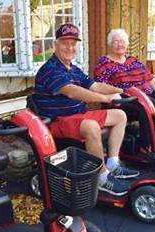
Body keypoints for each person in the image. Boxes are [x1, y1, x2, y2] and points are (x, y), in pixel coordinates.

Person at [33, 23, 139, 196]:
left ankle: (112, 163)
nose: (70, 47)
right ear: (56, 44)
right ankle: (102, 178)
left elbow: (95, 85)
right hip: (58, 121)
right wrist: (106, 99)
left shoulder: (74, 70)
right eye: (65, 43)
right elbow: (73, 93)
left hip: (78, 116)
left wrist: (121, 91)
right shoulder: (49, 70)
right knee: (91, 126)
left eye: (73, 43)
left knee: (120, 115)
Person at [93, 28, 155, 111]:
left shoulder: (133, 60)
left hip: (147, 94)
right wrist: (121, 91)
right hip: (125, 99)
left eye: (122, 41)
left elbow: (149, 77)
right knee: (150, 104)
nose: (120, 45)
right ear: (110, 44)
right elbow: (101, 87)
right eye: (115, 42)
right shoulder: (103, 64)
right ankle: (151, 127)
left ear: (126, 44)